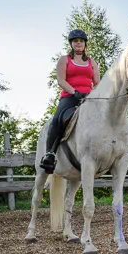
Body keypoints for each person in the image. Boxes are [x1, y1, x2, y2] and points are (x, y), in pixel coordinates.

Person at [39, 29, 100, 173]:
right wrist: (75, 92)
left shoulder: (92, 62)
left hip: (89, 98)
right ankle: (50, 154)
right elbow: (61, 80)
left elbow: (97, 82)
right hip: (69, 97)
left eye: (81, 41)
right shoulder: (64, 59)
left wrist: (98, 93)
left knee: (109, 116)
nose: (78, 43)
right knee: (57, 119)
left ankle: (123, 150)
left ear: (85, 44)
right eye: (75, 41)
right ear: (71, 44)